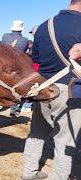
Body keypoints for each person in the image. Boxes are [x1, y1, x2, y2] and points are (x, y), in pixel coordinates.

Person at [22, 1, 81, 179]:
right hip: (70, 90)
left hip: (43, 88)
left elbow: (37, 59)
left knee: (37, 133)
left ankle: (29, 172)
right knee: (65, 141)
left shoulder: (42, 26)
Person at [0, 20, 30, 116]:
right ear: (21, 29)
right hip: (16, 67)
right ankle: (13, 110)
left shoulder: (5, 36)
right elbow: (23, 53)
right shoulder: (25, 40)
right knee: (16, 88)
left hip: (3, 66)